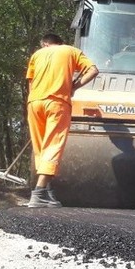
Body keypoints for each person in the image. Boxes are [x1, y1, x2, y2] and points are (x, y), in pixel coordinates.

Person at [26, 33, 99, 208]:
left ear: (45, 44)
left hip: (34, 102)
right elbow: (93, 70)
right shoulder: (71, 51)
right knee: (53, 146)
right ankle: (38, 193)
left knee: (41, 149)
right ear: (60, 43)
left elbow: (30, 82)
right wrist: (74, 86)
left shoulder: (36, 55)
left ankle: (47, 194)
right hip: (57, 103)